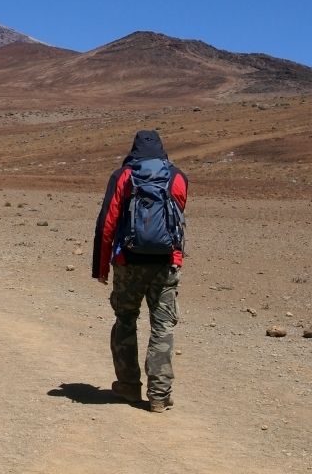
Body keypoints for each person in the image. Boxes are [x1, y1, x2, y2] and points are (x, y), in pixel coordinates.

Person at [92, 130, 189, 413]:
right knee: (162, 326)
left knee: (125, 320)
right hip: (165, 262)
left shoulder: (123, 175)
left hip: (128, 262)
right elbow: (178, 219)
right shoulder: (176, 176)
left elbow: (107, 222)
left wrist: (101, 267)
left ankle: (129, 386)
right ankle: (159, 395)